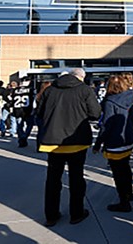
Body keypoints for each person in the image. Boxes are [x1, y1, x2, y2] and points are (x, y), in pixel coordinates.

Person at [37, 68, 101, 226]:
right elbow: (95, 113)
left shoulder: (50, 90)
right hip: (76, 140)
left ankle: (51, 215)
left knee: (52, 180)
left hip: (53, 141)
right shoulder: (85, 90)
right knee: (76, 178)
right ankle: (76, 213)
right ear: (81, 77)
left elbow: (39, 112)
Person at [93, 75, 133, 212]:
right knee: (126, 168)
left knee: (118, 173)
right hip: (128, 138)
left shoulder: (109, 102)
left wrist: (98, 143)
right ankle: (129, 194)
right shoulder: (131, 98)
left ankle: (124, 201)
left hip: (114, 142)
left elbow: (106, 125)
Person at [12, 78, 35, 148]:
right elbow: (34, 100)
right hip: (27, 110)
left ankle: (21, 138)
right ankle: (24, 137)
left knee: (19, 126)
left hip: (17, 109)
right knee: (29, 124)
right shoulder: (31, 90)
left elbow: (12, 100)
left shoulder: (15, 90)